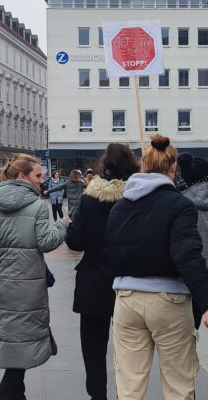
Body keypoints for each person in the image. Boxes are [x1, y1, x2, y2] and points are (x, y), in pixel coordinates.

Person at [105, 135, 208, 400]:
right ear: (172, 169)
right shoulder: (180, 205)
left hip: (126, 299)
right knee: (178, 383)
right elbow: (187, 255)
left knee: (129, 386)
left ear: (143, 166)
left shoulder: (120, 207)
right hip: (169, 299)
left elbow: (110, 254)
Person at [0, 153, 69, 399]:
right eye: (37, 176)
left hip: (2, 285)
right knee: (25, 338)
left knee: (14, 338)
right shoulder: (37, 207)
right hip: (29, 287)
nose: (41, 181)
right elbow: (46, 242)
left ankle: (16, 394)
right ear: (22, 176)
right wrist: (63, 224)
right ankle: (3, 395)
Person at [65, 144, 139, 400]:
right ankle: (127, 394)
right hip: (131, 282)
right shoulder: (138, 198)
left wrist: (71, 226)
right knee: (130, 348)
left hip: (94, 281)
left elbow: (76, 242)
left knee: (93, 347)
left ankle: (98, 395)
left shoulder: (90, 198)